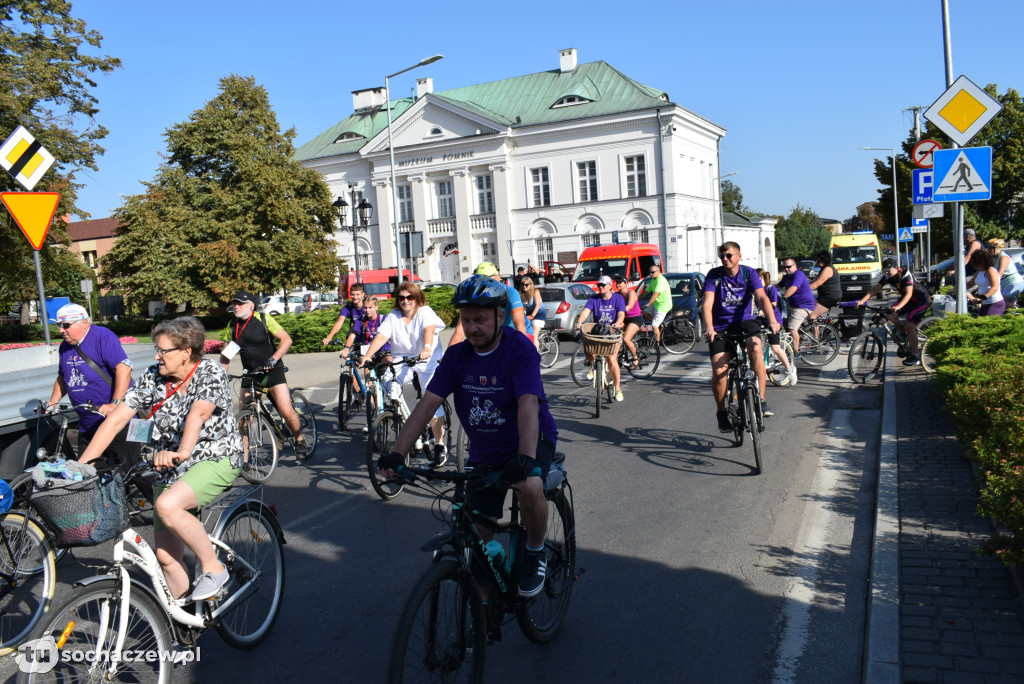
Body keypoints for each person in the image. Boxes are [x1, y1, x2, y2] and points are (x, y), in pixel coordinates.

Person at [377, 275, 558, 597]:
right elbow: (427, 403)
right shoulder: (458, 356)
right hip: (487, 449)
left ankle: (535, 551)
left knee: (529, 484)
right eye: (466, 320)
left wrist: (526, 458)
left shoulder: (519, 350)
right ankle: (480, 621)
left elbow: (528, 403)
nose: (472, 327)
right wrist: (398, 453)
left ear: (500, 318)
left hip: (531, 438)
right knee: (475, 540)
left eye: (481, 320)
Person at [80, 317, 243, 602]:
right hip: (169, 469)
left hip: (214, 456)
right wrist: (83, 465)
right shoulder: (153, 376)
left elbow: (198, 413)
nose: (157, 356)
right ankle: (186, 630)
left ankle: (213, 568)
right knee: (166, 559)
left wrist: (183, 451)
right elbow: (118, 418)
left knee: (167, 505)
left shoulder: (211, 371)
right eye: (157, 349)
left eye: (163, 350)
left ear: (186, 352)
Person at [45, 303, 149, 497]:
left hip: (121, 420)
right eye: (59, 325)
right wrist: (52, 402)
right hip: (89, 422)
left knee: (132, 469)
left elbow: (124, 368)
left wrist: (115, 404)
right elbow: (63, 377)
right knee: (87, 474)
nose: (61, 330)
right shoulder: (64, 347)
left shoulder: (102, 336)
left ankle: (165, 508)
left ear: (84, 323)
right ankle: (107, 519)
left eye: (65, 325)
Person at [360, 282, 448, 466]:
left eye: (410, 297)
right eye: (401, 298)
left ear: (417, 298)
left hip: (427, 359)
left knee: (431, 399)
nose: (405, 301)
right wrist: (368, 355)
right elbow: (382, 336)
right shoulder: (393, 316)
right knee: (389, 382)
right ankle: (400, 416)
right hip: (403, 359)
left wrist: (426, 347)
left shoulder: (425, 312)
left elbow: (429, 330)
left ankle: (439, 445)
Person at [219, 291, 308, 459]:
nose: (236, 307)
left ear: (251, 306)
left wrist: (274, 359)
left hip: (272, 370)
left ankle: (299, 439)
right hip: (251, 374)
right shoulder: (232, 325)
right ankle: (243, 454)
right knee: (244, 416)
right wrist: (222, 376)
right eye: (235, 304)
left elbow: (286, 340)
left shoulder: (263, 319)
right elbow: (226, 354)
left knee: (285, 410)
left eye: (241, 304)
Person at [701, 242, 780, 432]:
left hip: (745, 321)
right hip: (721, 326)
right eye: (722, 256)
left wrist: (772, 320)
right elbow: (707, 303)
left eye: (729, 255)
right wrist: (710, 328)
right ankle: (721, 412)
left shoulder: (749, 273)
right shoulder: (714, 275)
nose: (725, 259)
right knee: (719, 368)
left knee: (756, 349)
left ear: (739, 256)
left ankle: (761, 400)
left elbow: (761, 297)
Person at [856, 257, 930, 365]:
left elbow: (909, 293)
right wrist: (862, 301)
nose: (887, 272)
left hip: (921, 300)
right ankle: (904, 334)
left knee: (910, 326)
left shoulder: (905, 274)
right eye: (885, 270)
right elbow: (875, 290)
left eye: (888, 270)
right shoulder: (887, 276)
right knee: (889, 316)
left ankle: (915, 357)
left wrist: (898, 306)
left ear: (896, 268)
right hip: (907, 300)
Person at [448, 261, 531, 345]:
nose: (483, 282)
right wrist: (448, 356)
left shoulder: (511, 292)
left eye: (487, 278)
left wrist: (524, 348)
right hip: (494, 334)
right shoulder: (477, 296)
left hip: (519, 332)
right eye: (479, 278)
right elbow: (459, 331)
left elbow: (519, 323)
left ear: (498, 278)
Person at [575, 275, 626, 402]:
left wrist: (618, 323)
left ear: (610, 286)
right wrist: (579, 322)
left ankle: (618, 388)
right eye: (599, 285)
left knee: (611, 358)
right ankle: (592, 366)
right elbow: (586, 311)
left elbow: (621, 314)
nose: (600, 287)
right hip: (598, 331)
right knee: (588, 346)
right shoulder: (594, 298)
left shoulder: (618, 298)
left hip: (613, 332)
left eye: (603, 285)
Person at [757, 268, 797, 386]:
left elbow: (773, 304)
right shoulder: (755, 291)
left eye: (758, 279)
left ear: (763, 278)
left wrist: (764, 312)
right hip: (760, 320)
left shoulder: (771, 289)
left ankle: (790, 370)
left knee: (775, 347)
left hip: (773, 320)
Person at [778, 257, 815, 372]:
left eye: (789, 266)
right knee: (782, 321)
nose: (787, 269)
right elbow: (778, 286)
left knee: (792, 328)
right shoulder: (787, 277)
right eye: (785, 267)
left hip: (803, 306)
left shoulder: (798, 275)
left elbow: (792, 289)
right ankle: (792, 342)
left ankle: (795, 352)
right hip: (792, 305)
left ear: (795, 266)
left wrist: (782, 296)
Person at [965, 250, 1005, 316]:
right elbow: (970, 284)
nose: (974, 264)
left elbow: (995, 287)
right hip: (985, 303)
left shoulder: (990, 270)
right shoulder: (979, 272)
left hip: (995, 303)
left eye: (976, 261)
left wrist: (982, 298)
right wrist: (956, 289)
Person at [616, 275, 643, 369]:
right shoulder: (617, 294)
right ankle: (620, 353)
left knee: (626, 339)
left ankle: (635, 358)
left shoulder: (631, 292)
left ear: (625, 283)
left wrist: (619, 311)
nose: (618, 284)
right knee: (614, 332)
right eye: (616, 283)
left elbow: (630, 306)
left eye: (620, 283)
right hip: (624, 318)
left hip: (635, 318)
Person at [640, 264, 672, 344]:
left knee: (654, 325)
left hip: (663, 305)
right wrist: (635, 300)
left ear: (658, 272)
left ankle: (657, 345)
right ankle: (658, 324)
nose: (651, 274)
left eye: (653, 272)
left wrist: (647, 304)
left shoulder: (660, 280)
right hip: (657, 304)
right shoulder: (653, 280)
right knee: (643, 311)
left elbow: (655, 295)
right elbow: (646, 292)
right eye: (650, 272)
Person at [987, 238, 1022, 309]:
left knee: (999, 301)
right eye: (988, 248)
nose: (988, 250)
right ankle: (1014, 313)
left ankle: (1016, 310)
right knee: (1006, 305)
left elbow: (1000, 273)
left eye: (990, 248)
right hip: (1005, 284)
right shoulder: (993, 258)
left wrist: (993, 285)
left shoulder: (1004, 257)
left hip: (1014, 283)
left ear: (997, 249)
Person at [807, 250, 842, 320]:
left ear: (823, 260)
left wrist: (799, 289)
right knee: (808, 307)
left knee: (812, 316)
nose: (817, 262)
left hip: (830, 297)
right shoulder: (824, 268)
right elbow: (814, 281)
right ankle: (819, 325)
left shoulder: (828, 269)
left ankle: (816, 331)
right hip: (824, 296)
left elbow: (816, 284)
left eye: (818, 260)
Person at [519, 276, 545, 351]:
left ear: (531, 285)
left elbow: (537, 305)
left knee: (533, 336)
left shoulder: (535, 292)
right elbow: (520, 307)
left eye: (526, 285)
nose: (524, 286)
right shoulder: (521, 294)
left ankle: (535, 356)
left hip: (539, 314)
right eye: (523, 284)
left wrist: (532, 316)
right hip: (528, 315)